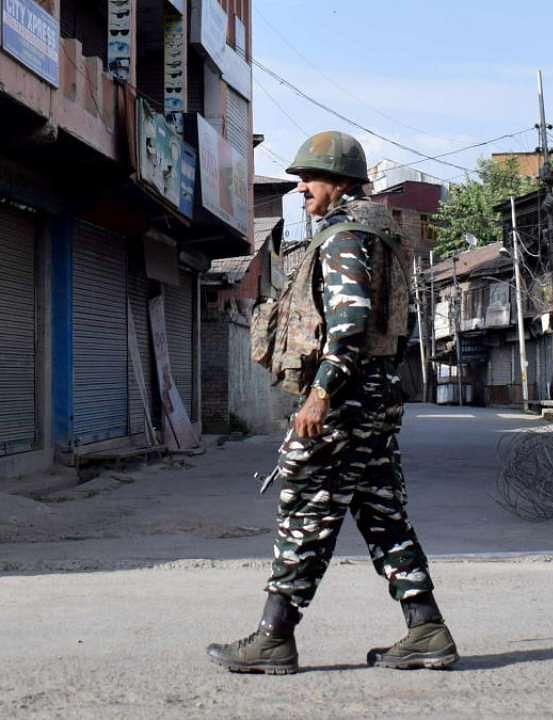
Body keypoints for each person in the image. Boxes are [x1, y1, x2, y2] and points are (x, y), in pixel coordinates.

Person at [207, 131, 458, 675]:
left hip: (344, 401)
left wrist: (320, 395)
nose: (301, 189)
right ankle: (427, 630)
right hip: (377, 400)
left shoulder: (344, 236)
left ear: (340, 182)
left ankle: (274, 638)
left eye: (310, 178)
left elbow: (348, 324)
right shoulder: (382, 233)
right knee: (383, 515)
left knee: (305, 514)